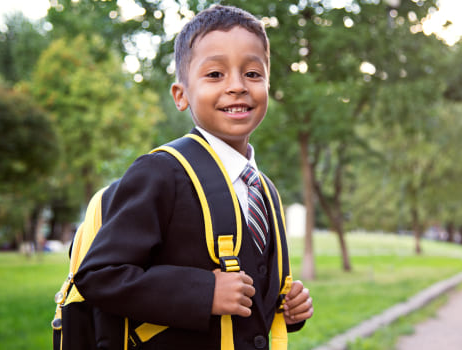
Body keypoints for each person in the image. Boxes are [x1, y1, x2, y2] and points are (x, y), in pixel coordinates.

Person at [73, 4, 313, 349]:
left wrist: (287, 309)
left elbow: (248, 301)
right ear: (181, 95)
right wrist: (204, 292)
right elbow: (98, 276)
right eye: (215, 74)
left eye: (253, 74)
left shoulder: (266, 191)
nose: (237, 86)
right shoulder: (161, 174)